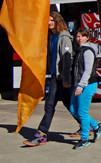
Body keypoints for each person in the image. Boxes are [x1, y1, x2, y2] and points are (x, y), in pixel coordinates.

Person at [24, 11, 74, 147]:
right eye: (47, 20)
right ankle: (91, 125)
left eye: (51, 20)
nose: (49, 23)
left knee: (49, 105)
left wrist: (65, 78)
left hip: (60, 77)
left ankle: (42, 134)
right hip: (53, 75)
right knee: (69, 104)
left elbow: (67, 58)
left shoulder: (64, 37)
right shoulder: (52, 37)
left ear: (57, 21)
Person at [70, 29, 101, 149]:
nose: (79, 39)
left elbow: (88, 71)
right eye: (77, 36)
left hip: (87, 84)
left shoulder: (88, 51)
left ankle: (84, 139)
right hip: (79, 84)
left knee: (82, 112)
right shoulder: (79, 50)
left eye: (81, 36)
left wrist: (80, 86)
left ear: (87, 38)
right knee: (73, 110)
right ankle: (96, 126)